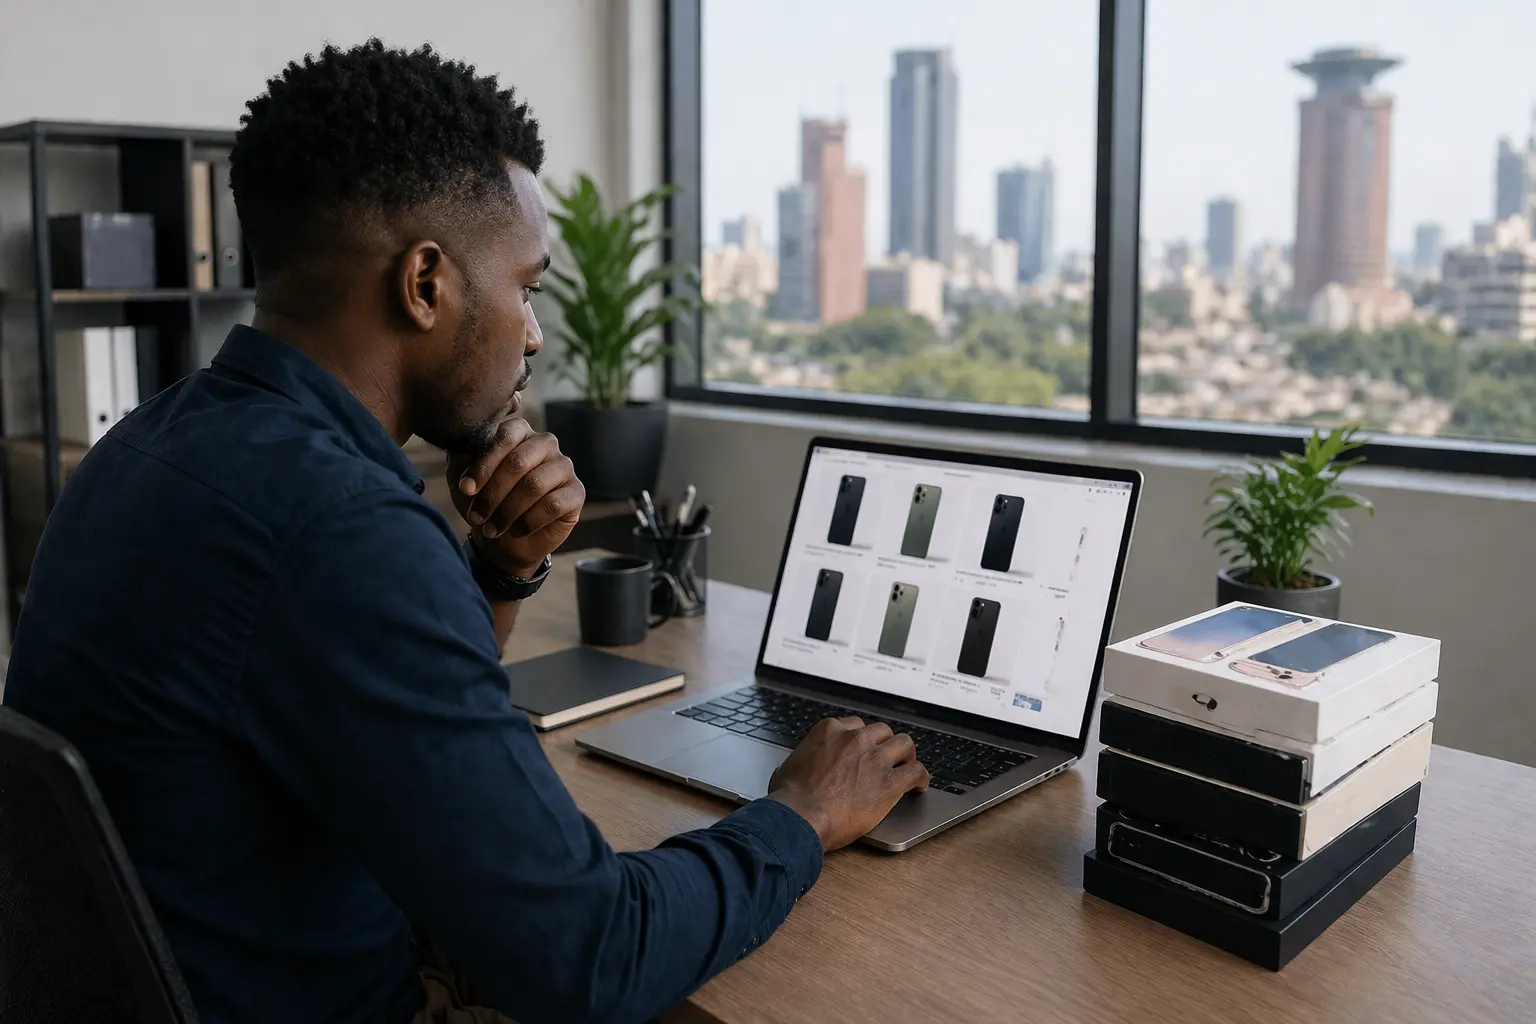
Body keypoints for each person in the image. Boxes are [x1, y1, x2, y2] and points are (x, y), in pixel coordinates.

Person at [2, 39, 928, 1024]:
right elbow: (590, 959)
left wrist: (498, 567)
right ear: (427, 283)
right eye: (526, 286)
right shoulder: (341, 528)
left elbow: (372, 728)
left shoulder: (148, 444)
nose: (533, 333)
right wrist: (801, 813)